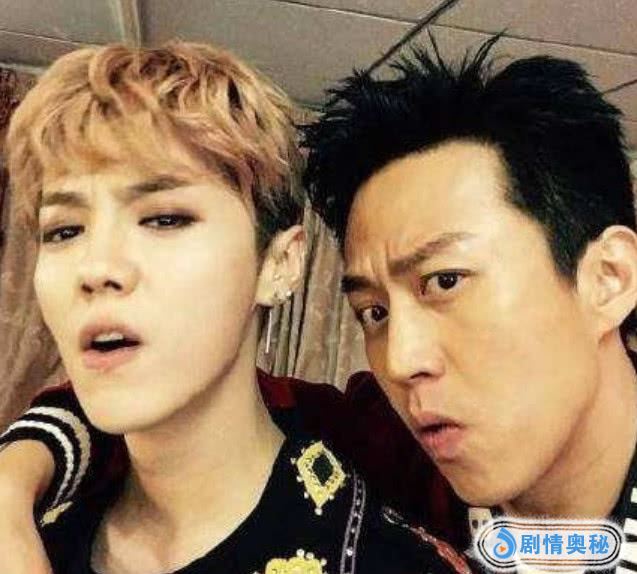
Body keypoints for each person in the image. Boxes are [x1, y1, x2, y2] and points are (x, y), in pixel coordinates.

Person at [4, 33, 636, 570]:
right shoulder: (377, 438)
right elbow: (165, 393)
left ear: (608, 278)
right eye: (374, 313)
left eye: (446, 281)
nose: (401, 361)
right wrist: (12, 483)